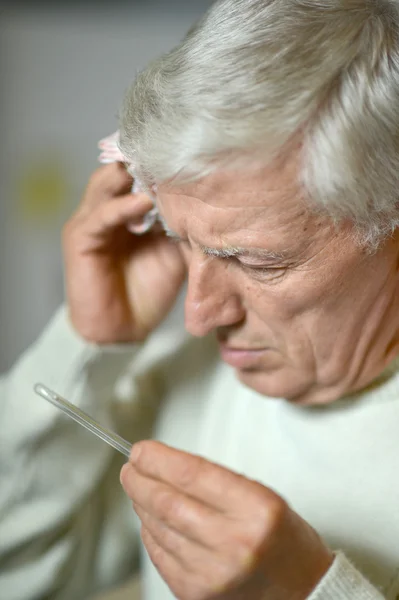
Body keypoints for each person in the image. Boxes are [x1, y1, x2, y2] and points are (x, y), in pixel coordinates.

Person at [1, 0, 399, 598]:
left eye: (259, 260)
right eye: (178, 239)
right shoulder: (182, 382)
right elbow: (19, 575)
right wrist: (89, 345)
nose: (196, 318)